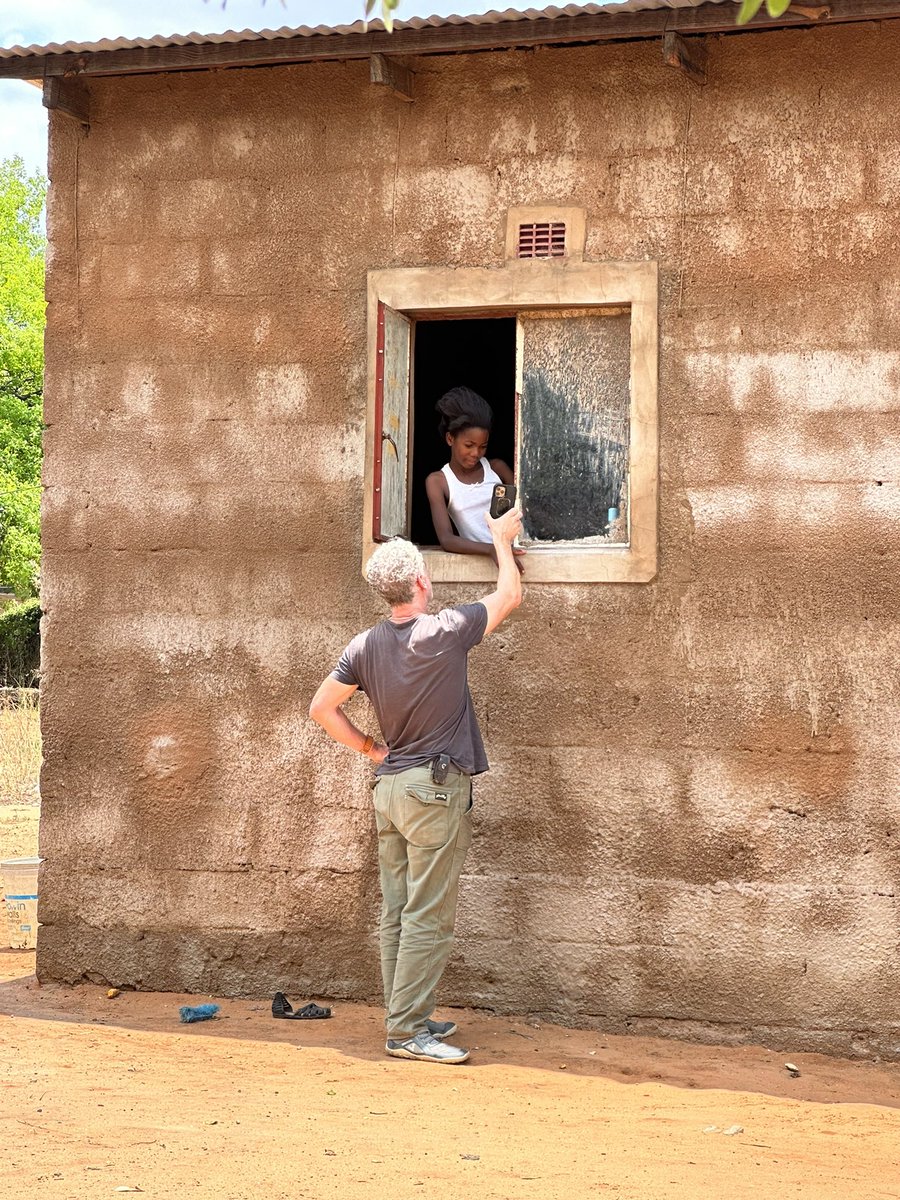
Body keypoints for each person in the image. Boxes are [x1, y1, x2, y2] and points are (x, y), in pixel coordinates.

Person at [308, 505, 523, 1065]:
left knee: (399, 910)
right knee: (426, 913)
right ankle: (407, 1032)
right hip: (433, 790)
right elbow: (508, 598)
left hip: (391, 789)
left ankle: (409, 1014)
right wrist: (501, 539)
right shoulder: (445, 630)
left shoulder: (363, 645)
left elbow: (321, 708)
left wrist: (373, 750)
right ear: (421, 581)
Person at [425, 386, 525, 572]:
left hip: (516, 553)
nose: (476, 453)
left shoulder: (497, 469)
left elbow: (526, 508)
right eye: (469, 445)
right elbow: (447, 539)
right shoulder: (438, 481)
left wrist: (506, 547)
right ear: (450, 439)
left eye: (483, 446)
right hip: (483, 562)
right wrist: (492, 550)